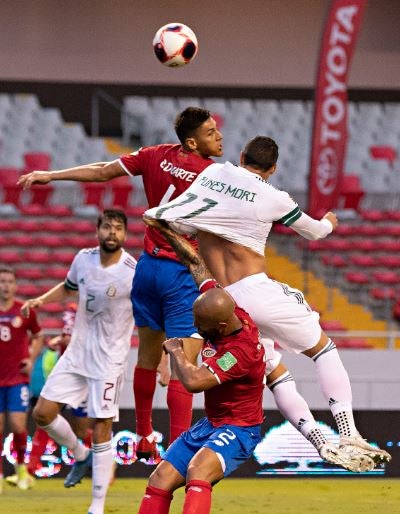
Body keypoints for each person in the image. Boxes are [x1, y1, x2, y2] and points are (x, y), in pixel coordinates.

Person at [143, 135, 391, 467]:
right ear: (272, 169)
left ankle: (319, 440)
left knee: (275, 374)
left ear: (241, 154)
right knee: (323, 349)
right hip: (258, 289)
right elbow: (315, 232)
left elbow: (176, 230)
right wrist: (330, 222)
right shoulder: (273, 196)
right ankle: (348, 433)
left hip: (226, 304)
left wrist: (168, 230)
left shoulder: (213, 177)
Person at [17, 107, 223, 462]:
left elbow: (102, 171)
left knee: (146, 358)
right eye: (211, 131)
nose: (218, 135)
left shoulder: (154, 154)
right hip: (179, 271)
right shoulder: (215, 175)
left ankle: (144, 435)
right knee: (183, 367)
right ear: (192, 141)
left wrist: (51, 175)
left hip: (146, 269)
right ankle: (178, 453)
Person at [21, 209, 136, 514]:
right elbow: (69, 288)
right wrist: (41, 300)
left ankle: (96, 507)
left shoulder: (131, 270)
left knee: (101, 426)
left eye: (118, 228)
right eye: (107, 227)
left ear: (125, 234)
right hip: (77, 353)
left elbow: (148, 312)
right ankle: (79, 452)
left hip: (109, 360)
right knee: (42, 413)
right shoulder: (82, 258)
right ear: (98, 230)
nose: (112, 233)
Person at [137, 277, 266, 513]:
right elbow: (202, 273)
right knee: (160, 478)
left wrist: (176, 351)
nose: (196, 328)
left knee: (198, 469)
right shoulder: (230, 310)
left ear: (221, 326)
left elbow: (195, 382)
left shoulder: (238, 353)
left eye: (201, 324)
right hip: (211, 424)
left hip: (239, 428)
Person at [0, 266, 44, 491]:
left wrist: (31, 359)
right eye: (2, 281)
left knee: (18, 426)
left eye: (9, 281)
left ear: (15, 286)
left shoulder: (24, 310)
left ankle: (21, 471)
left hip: (17, 378)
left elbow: (38, 336)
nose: (5, 285)